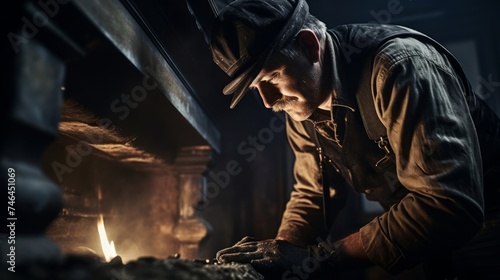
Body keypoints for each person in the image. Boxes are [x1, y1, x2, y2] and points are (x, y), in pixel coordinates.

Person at [209, 0, 500, 278]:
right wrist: (279, 251)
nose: (268, 102)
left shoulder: (398, 69)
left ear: (309, 45)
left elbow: (448, 204)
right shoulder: (301, 103)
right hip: (437, 246)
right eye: (257, 88)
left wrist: (320, 259)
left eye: (271, 78)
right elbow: (313, 193)